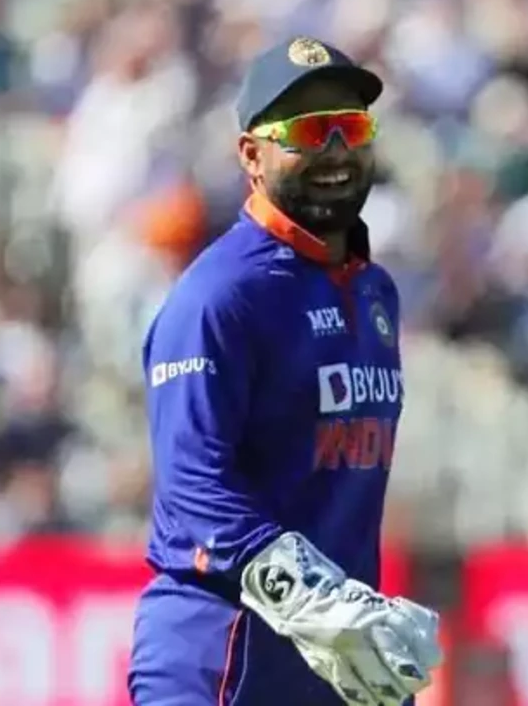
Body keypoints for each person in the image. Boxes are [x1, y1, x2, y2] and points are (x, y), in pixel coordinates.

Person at [128, 36, 442, 706]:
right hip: (221, 651)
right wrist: (314, 599)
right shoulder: (220, 295)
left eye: (351, 127)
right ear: (251, 154)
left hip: (339, 657)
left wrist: (351, 616)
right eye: (308, 132)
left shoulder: (375, 291)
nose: (336, 150)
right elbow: (194, 488)